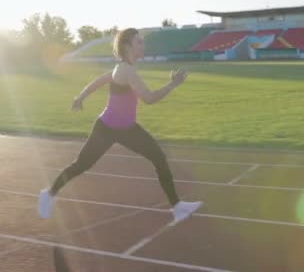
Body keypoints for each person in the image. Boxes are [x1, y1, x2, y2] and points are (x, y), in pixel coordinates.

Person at [38, 28, 203, 224]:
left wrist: (81, 96)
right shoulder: (127, 70)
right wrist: (173, 84)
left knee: (159, 158)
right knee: (82, 164)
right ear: (127, 46)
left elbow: (99, 81)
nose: (143, 45)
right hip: (106, 129)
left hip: (127, 129)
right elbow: (149, 98)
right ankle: (48, 194)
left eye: (142, 41)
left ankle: (177, 207)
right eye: (139, 42)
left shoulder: (121, 68)